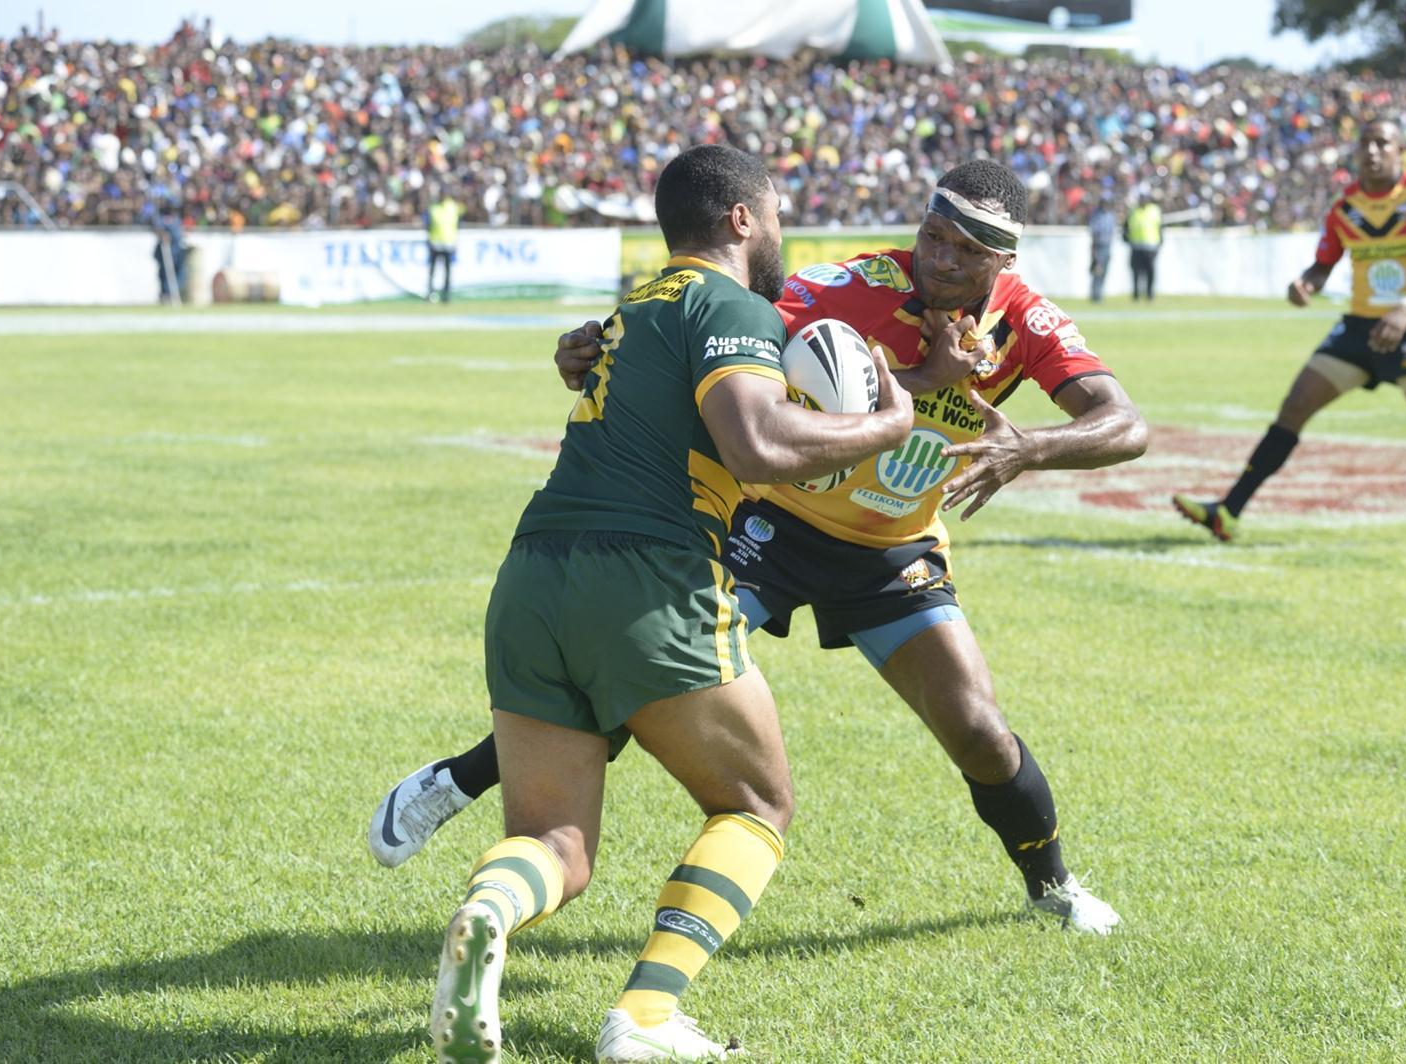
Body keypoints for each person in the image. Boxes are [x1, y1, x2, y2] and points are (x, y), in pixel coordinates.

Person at [374, 160, 1148, 936]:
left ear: (1003, 263)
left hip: (892, 546)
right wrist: (599, 346)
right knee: (644, 680)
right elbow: (717, 333)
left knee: (978, 727)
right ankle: (456, 781)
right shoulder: (852, 285)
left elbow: (1125, 423)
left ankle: (1053, 884)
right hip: (770, 528)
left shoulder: (1030, 322)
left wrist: (1030, 448)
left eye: (965, 252)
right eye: (933, 236)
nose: (941, 260)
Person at [426, 143, 913, 1064]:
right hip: (648, 577)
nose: (779, 231)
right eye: (772, 213)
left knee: (554, 845)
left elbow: (610, 377)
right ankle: (646, 1018)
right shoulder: (734, 305)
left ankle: (489, 908)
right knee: (757, 805)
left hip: (532, 576)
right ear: (741, 218)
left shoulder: (631, 308)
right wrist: (886, 427)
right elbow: (758, 443)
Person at [1172, 119, 1406, 546]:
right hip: (1359, 328)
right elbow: (1324, 264)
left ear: (1400, 151)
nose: (1373, 151)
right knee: (1293, 408)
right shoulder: (1346, 206)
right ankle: (1228, 513)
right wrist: (1306, 283)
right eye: (1366, 143)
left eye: (1383, 143)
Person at [426, 189, 463, 303]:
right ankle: (431, 294)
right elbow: (428, 224)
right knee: (433, 271)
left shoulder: (454, 207)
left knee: (447, 271)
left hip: (448, 243)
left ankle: (446, 295)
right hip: (435, 243)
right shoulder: (433, 208)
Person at [1124, 194, 1162, 302]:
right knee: (1136, 272)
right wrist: (1126, 238)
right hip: (1136, 246)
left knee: (1150, 272)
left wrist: (1160, 243)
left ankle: (1150, 294)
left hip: (1151, 247)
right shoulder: (1133, 211)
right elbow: (1126, 227)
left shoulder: (1154, 210)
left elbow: (1159, 227)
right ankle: (1136, 295)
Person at [1087, 198, 1116, 303]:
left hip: (1107, 246)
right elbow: (1094, 232)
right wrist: (1094, 250)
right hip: (1098, 246)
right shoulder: (1096, 216)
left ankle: (1099, 294)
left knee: (1103, 271)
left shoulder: (1111, 215)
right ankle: (1095, 295)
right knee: (1097, 271)